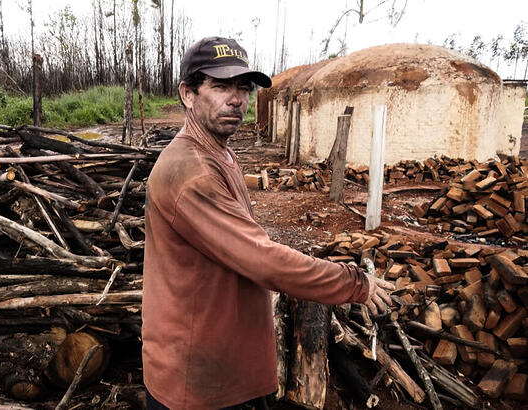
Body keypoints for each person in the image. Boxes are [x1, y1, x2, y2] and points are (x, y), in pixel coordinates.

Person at [142, 36, 394, 410]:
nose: (237, 99)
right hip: (197, 385)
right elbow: (263, 260)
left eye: (243, 88)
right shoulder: (192, 173)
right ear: (188, 94)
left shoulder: (217, 152)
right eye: (221, 86)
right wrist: (353, 283)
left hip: (224, 367)